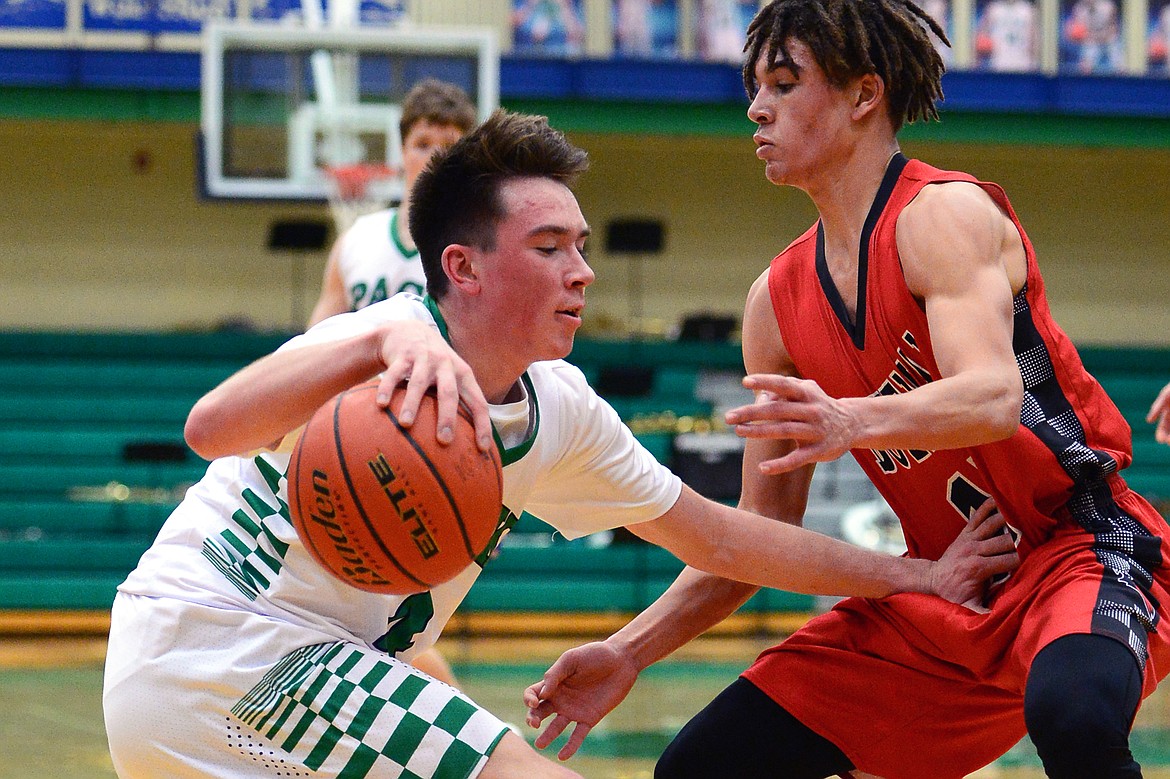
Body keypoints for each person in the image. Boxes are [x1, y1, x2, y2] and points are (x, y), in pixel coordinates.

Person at [103, 110, 1017, 779]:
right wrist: (377, 340)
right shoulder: (383, 340)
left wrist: (916, 575)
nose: (582, 271)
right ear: (460, 266)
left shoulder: (563, 411)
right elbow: (207, 428)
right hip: (227, 644)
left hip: (254, 677)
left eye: (581, 246)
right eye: (549, 248)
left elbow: (724, 539)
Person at [523, 2, 1170, 777]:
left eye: (786, 84)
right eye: (754, 86)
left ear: (864, 95)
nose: (757, 107)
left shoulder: (944, 216)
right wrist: (629, 651)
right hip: (950, 583)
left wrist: (849, 418)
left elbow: (993, 397)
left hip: (1078, 545)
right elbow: (753, 541)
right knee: (702, 766)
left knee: (1076, 714)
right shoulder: (774, 303)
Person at [308, 78, 477, 328]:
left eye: (449, 147)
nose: (435, 157)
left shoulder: (482, 245)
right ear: (401, 151)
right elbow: (315, 345)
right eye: (422, 144)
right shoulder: (355, 241)